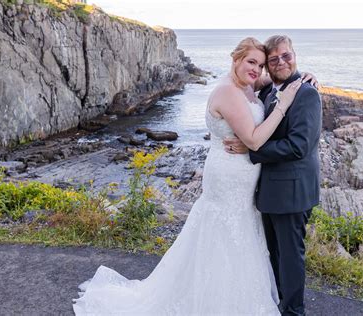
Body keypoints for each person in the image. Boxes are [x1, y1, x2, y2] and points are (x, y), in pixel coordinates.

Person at [73, 37, 313, 315]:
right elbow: (255, 140)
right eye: (251, 62)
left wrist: (304, 77)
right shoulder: (228, 92)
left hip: (244, 177)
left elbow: (276, 82)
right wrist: (284, 105)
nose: (256, 69)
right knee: (223, 235)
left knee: (242, 237)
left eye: (260, 65)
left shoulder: (249, 84)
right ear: (235, 59)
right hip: (229, 175)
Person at [224, 35, 322, 316]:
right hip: (269, 190)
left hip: (292, 190)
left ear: (295, 54)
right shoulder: (268, 90)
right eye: (274, 59)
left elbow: (299, 145)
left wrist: (252, 148)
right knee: (274, 254)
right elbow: (242, 79)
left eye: (286, 56)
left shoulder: (306, 93)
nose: (281, 62)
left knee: (290, 257)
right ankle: (277, 305)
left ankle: (293, 311)